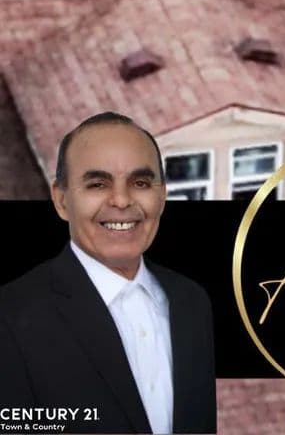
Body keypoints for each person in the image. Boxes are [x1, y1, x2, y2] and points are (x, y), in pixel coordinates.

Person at [0, 112, 217, 433]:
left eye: (140, 183)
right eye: (97, 184)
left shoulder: (192, 302)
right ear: (61, 200)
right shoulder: (10, 317)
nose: (121, 200)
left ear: (162, 195)